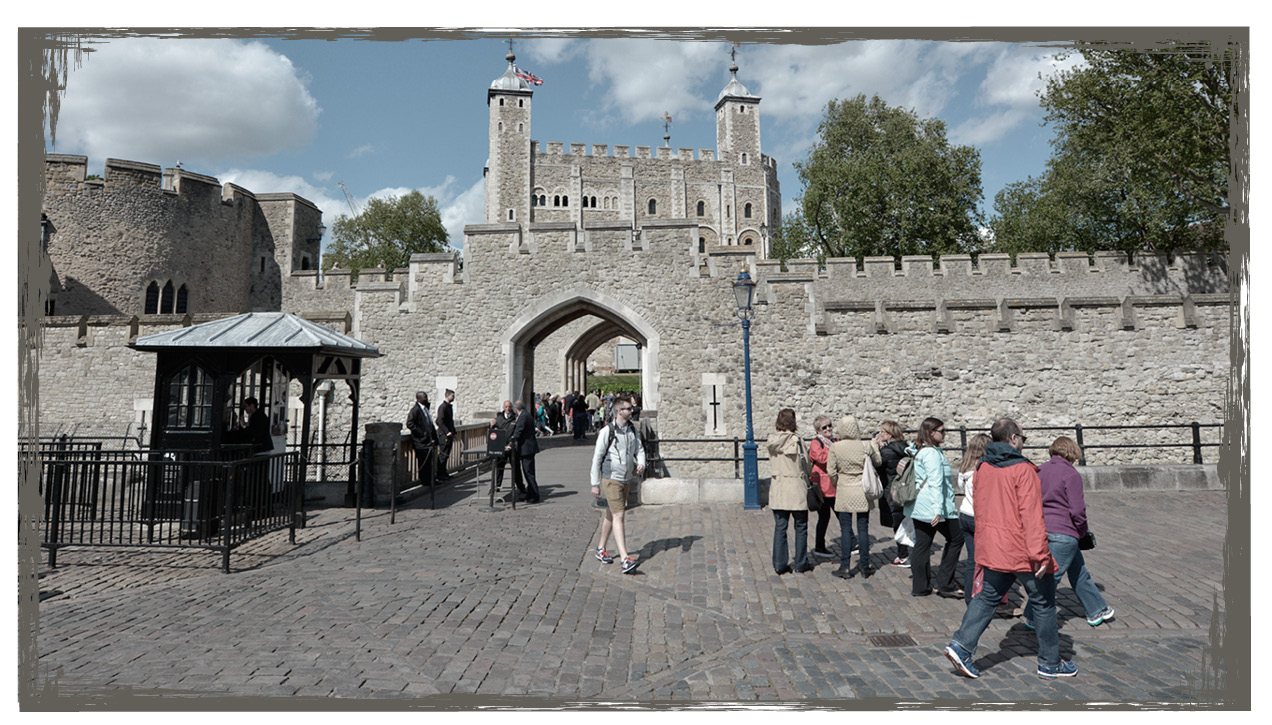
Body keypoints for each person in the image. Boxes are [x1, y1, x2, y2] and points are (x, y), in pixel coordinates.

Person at [944, 418, 1077, 680]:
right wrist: (1040, 554)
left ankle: (962, 644)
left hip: (994, 546)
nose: (1023, 443)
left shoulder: (983, 466)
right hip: (1021, 548)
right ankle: (1050, 662)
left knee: (986, 598)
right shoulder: (1023, 469)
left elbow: (981, 509)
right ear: (1014, 438)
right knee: (1044, 603)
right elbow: (1031, 515)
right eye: (1023, 438)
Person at [1023, 436, 1115, 628]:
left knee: (1079, 572)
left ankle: (1097, 609)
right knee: (1050, 579)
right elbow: (1077, 510)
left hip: (1041, 529)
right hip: (1064, 533)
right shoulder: (1070, 474)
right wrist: (1081, 533)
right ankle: (1032, 617)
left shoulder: (1039, 470)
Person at [904, 417, 965, 598]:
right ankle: (944, 583)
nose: (945, 434)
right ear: (932, 433)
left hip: (921, 505)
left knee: (922, 544)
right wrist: (938, 510)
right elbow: (935, 483)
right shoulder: (931, 453)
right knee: (956, 538)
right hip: (934, 506)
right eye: (942, 431)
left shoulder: (920, 450)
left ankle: (920, 586)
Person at [590, 394, 646, 574]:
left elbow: (640, 449)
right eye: (629, 408)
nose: (632, 410)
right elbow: (597, 457)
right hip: (611, 478)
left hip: (626, 478)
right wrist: (595, 483)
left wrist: (641, 463)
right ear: (619, 411)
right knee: (619, 516)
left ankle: (600, 548)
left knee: (611, 514)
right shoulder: (607, 431)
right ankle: (624, 558)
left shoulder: (632, 430)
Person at [825, 415, 883, 579]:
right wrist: (875, 446)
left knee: (845, 529)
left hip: (844, 489)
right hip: (862, 489)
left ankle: (845, 566)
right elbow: (878, 462)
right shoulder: (864, 445)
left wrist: (838, 483)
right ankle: (864, 565)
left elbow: (831, 471)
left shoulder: (836, 447)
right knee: (863, 529)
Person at [766, 408, 813, 575]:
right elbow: (806, 464)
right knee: (800, 527)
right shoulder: (797, 441)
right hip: (796, 487)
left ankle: (779, 564)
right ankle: (800, 563)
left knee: (780, 527)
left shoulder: (772, 441)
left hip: (778, 487)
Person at [956, 433, 993, 604]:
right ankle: (982, 593)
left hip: (964, 513)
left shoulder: (964, 468)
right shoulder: (983, 469)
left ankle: (969, 595)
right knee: (985, 559)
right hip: (977, 516)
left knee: (972, 559)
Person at [877, 421, 911, 568]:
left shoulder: (887, 451)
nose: (880, 434)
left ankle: (903, 555)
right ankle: (905, 552)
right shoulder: (906, 447)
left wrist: (877, 450)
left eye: (883, 432)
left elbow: (879, 468)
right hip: (906, 487)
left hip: (892, 488)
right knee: (905, 519)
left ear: (890, 434)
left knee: (897, 521)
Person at [808, 416, 838, 560]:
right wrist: (835, 454)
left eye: (829, 426)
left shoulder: (836, 441)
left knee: (842, 515)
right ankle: (819, 546)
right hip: (822, 487)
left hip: (835, 485)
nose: (828, 429)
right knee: (824, 516)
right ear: (818, 430)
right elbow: (821, 459)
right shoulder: (816, 442)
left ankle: (851, 541)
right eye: (824, 427)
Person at [507, 400, 542, 503]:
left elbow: (518, 431)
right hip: (528, 448)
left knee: (528, 472)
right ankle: (531, 493)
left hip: (527, 449)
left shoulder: (523, 417)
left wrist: (510, 444)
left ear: (516, 409)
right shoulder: (526, 415)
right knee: (528, 472)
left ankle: (534, 495)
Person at [489, 400, 524, 499]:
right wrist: (491, 425)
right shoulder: (499, 419)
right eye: (506, 407)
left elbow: (518, 432)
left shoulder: (515, 418)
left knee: (516, 468)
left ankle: (520, 487)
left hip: (512, 447)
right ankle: (497, 486)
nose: (508, 409)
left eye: (509, 407)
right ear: (503, 407)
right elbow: (492, 431)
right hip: (501, 447)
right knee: (499, 468)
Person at [406, 391, 438, 487]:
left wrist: (434, 437)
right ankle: (425, 481)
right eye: (424, 397)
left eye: (426, 397)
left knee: (430, 461)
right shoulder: (415, 410)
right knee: (423, 461)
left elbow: (430, 423)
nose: (426, 399)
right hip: (420, 442)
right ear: (418, 398)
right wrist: (421, 433)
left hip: (428, 440)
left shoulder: (425, 409)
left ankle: (431, 479)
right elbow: (410, 423)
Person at [435, 389, 456, 481]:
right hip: (444, 435)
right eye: (452, 395)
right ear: (447, 396)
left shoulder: (448, 407)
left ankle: (444, 472)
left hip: (449, 435)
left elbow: (450, 421)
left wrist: (453, 431)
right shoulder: (443, 407)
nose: (453, 397)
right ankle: (440, 474)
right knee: (443, 454)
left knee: (446, 454)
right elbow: (439, 421)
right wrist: (447, 431)